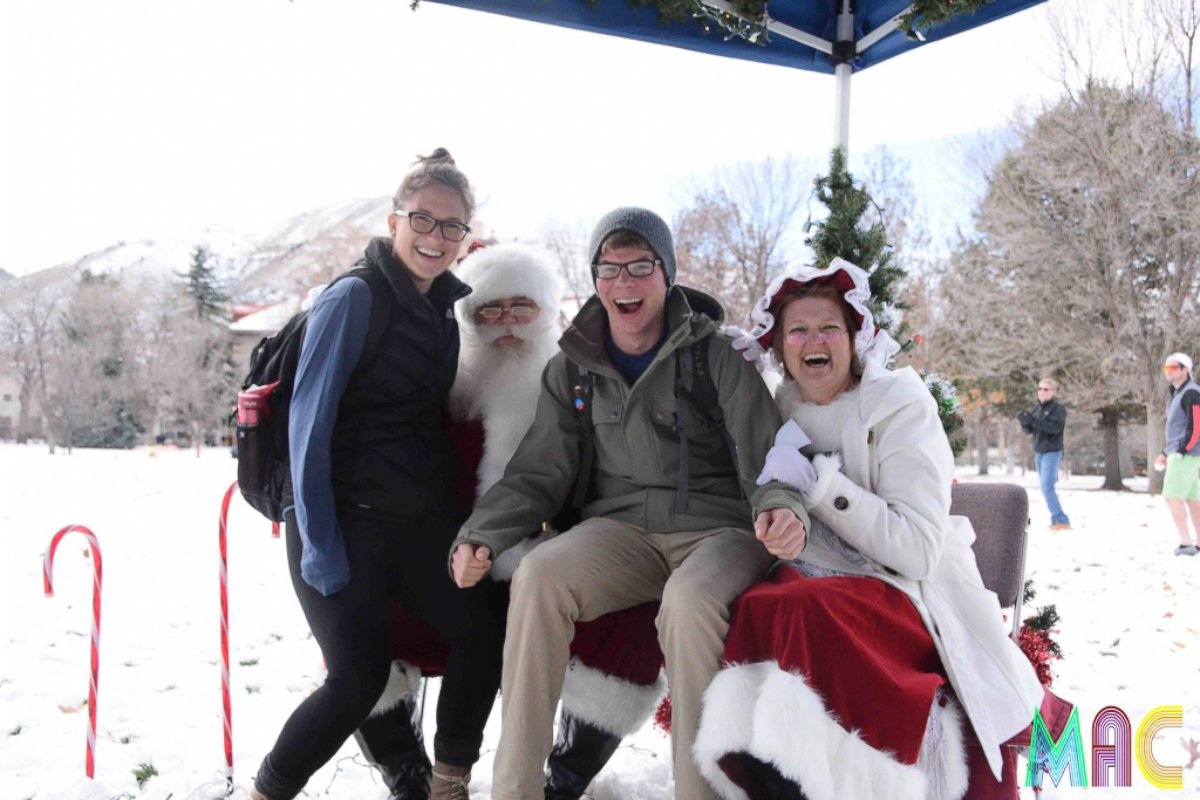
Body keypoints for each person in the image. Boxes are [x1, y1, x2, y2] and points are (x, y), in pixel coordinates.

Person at [449, 207, 809, 800]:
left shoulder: (714, 354)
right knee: (539, 574)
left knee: (688, 602)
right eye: (609, 269)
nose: (624, 283)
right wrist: (481, 535)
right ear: (594, 280)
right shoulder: (573, 368)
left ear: (665, 273)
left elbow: (769, 451)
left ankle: (701, 792)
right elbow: (539, 470)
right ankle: (515, 790)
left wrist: (781, 506)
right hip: (623, 532)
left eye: (639, 267)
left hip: (718, 531)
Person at [693, 259, 1047, 800]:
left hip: (906, 593)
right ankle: (778, 778)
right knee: (760, 607)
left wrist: (823, 486)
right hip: (811, 581)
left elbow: (919, 553)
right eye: (798, 331)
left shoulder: (901, 407)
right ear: (781, 347)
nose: (815, 342)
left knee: (797, 612)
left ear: (855, 337)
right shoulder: (778, 406)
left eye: (829, 328)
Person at [354, 242, 667, 800]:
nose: (505, 325)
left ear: (545, 311)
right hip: (447, 558)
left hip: (559, 559)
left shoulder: (580, 378)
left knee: (633, 626)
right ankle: (409, 775)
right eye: (487, 311)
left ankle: (564, 778)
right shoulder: (440, 382)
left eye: (521, 308)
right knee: (364, 625)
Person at [251, 149, 504, 800]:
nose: (435, 237)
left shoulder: (444, 312)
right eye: (423, 219)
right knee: (357, 679)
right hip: (335, 521)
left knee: (483, 631)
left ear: (465, 238)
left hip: (413, 526)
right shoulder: (352, 299)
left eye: (452, 227)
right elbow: (309, 430)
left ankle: (447, 782)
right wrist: (323, 550)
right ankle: (266, 791)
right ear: (394, 220)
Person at [1154, 352, 1200, 556]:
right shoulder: (1177, 393)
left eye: (1174, 368)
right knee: (1192, 498)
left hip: (1187, 454)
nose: (1169, 372)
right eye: (1167, 368)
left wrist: (1182, 450)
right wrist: (1165, 452)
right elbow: (1177, 428)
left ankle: (1185, 543)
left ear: (1185, 370)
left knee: (1172, 495)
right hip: (1180, 452)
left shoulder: (1191, 393)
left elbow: (1196, 426)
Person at [1018, 378, 1072, 530]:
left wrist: (1033, 421)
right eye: (1040, 388)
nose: (1042, 392)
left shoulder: (1057, 409)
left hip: (1052, 452)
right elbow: (1030, 431)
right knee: (1045, 487)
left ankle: (1061, 519)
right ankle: (1057, 519)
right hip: (1039, 452)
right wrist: (1024, 421)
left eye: (1046, 389)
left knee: (1047, 487)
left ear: (1053, 392)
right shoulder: (1037, 409)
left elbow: (1053, 428)